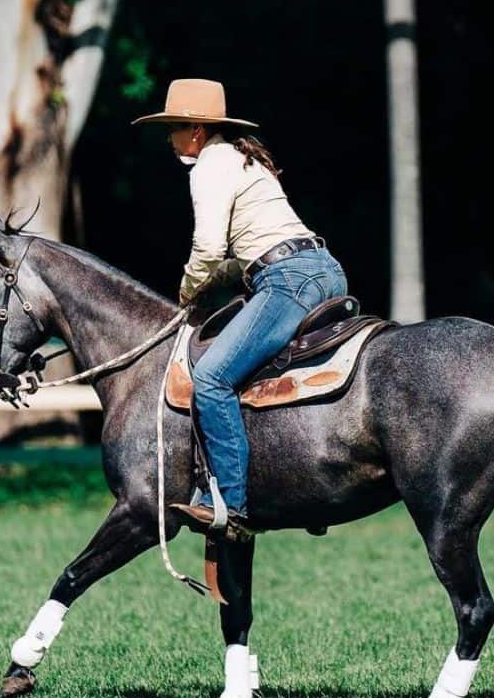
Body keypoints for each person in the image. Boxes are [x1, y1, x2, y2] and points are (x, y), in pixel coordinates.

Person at [133, 78, 347, 534]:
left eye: (173, 127)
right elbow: (241, 258)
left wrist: (186, 290)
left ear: (194, 131)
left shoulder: (208, 167)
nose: (169, 137)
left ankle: (229, 504)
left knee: (211, 379)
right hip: (323, 269)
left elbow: (209, 248)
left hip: (287, 280)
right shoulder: (244, 160)